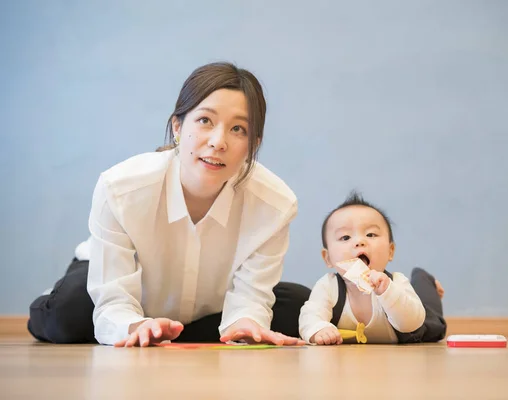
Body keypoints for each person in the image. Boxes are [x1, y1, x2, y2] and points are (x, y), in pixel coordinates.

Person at [27, 62, 311, 347]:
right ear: (177, 126)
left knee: (299, 305)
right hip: (122, 284)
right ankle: (150, 329)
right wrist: (134, 325)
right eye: (205, 121)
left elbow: (252, 297)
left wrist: (248, 323)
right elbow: (113, 298)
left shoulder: (275, 205)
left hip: (209, 302)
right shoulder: (121, 188)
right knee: (69, 312)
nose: (218, 142)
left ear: (253, 144)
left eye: (238, 129)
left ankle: (170, 331)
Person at [298, 191, 447, 345]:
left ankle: (423, 279)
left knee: (434, 318)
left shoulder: (396, 282)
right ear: (327, 258)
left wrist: (388, 292)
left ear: (390, 251)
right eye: (345, 237)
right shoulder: (327, 286)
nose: (360, 241)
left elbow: (411, 323)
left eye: (371, 234)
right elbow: (310, 315)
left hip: (419, 329)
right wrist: (319, 329)